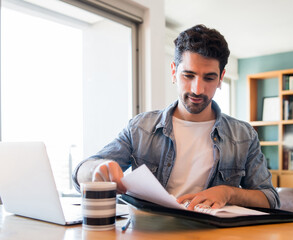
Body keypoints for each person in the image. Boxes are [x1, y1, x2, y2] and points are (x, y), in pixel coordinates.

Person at [72, 24, 280, 210]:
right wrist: (95, 170)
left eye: (209, 78)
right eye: (188, 75)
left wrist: (228, 192)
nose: (197, 89)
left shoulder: (243, 135)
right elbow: (82, 172)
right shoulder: (141, 127)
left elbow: (270, 198)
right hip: (150, 232)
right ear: (173, 72)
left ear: (221, 79)